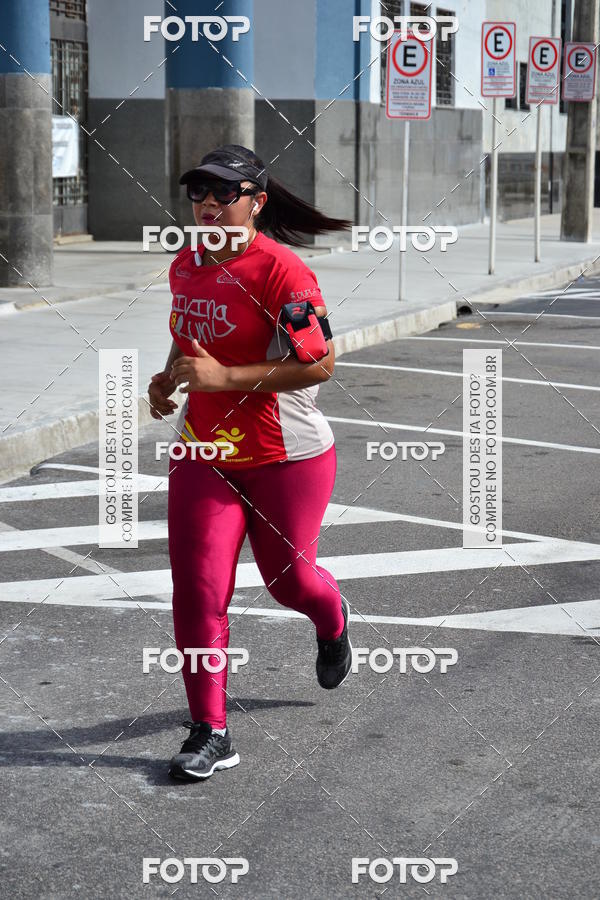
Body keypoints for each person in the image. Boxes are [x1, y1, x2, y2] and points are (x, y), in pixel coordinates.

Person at [147, 145, 353, 781]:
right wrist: (168, 377)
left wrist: (225, 375)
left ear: (256, 203)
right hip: (205, 453)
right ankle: (210, 730)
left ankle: (332, 618)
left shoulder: (284, 274)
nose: (208, 205)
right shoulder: (187, 263)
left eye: (223, 194)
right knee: (198, 590)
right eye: (198, 194)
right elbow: (191, 338)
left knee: (289, 581)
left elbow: (319, 363)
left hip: (283, 454)